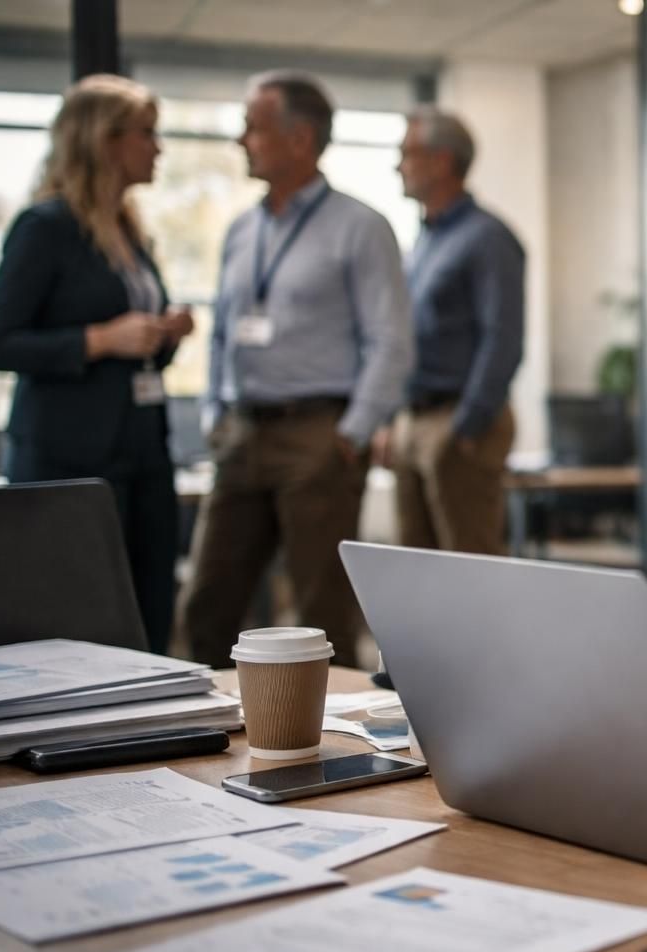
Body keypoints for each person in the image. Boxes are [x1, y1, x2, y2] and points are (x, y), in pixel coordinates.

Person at [179, 71, 412, 668]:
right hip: (243, 433)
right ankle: (214, 722)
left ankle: (326, 726)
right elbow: (223, 331)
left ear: (300, 138)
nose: (242, 141)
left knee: (320, 612)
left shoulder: (361, 226)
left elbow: (390, 340)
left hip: (319, 437)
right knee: (207, 605)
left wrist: (352, 433)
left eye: (253, 128)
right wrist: (213, 411)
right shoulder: (242, 229)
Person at [0, 75, 194, 654]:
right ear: (105, 140)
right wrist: (98, 339)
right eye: (147, 133)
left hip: (143, 452)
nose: (158, 148)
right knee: (78, 621)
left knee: (149, 611)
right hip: (70, 461)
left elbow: (135, 353)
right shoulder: (45, 227)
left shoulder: (130, 231)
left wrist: (162, 335)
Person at [373, 107, 523, 555]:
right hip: (413, 420)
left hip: (457, 422)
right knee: (415, 565)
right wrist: (391, 419)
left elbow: (503, 338)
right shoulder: (425, 239)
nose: (398, 165)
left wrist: (467, 426)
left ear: (441, 162)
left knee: (470, 566)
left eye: (408, 153)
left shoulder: (488, 238)